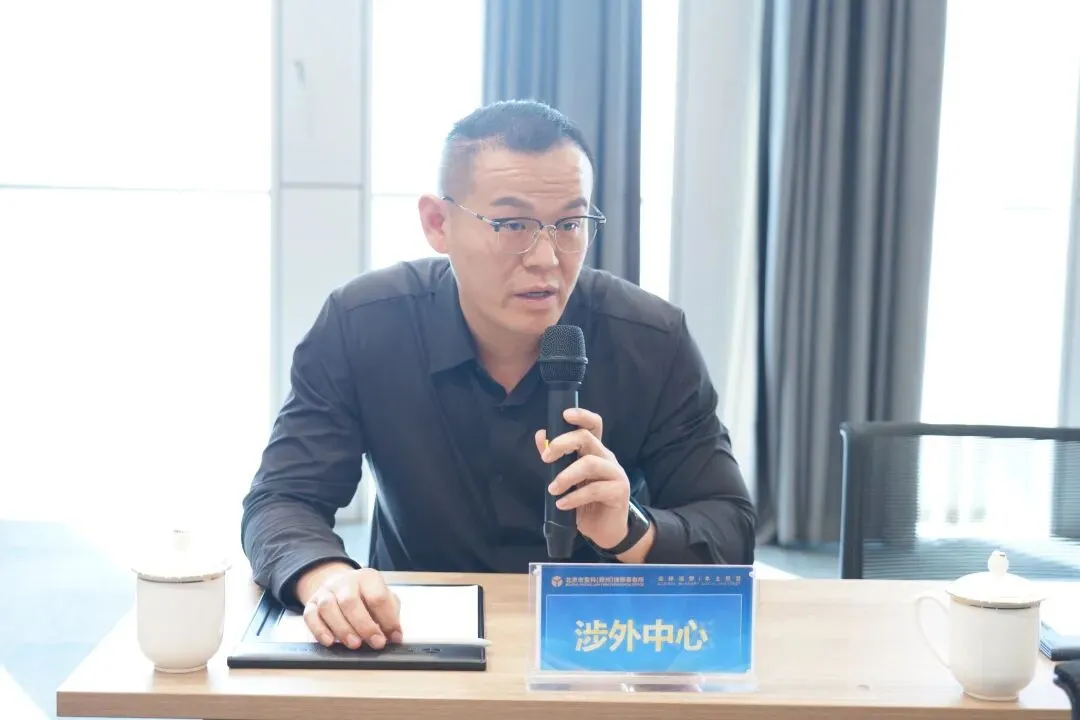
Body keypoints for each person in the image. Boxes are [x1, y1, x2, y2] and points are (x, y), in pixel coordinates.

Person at [241, 99, 755, 651]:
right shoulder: (363, 324)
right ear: (438, 223)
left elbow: (729, 525)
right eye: (513, 225)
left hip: (603, 641)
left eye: (570, 224)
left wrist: (630, 529)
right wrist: (328, 579)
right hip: (414, 643)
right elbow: (282, 498)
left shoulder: (651, 339)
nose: (546, 258)